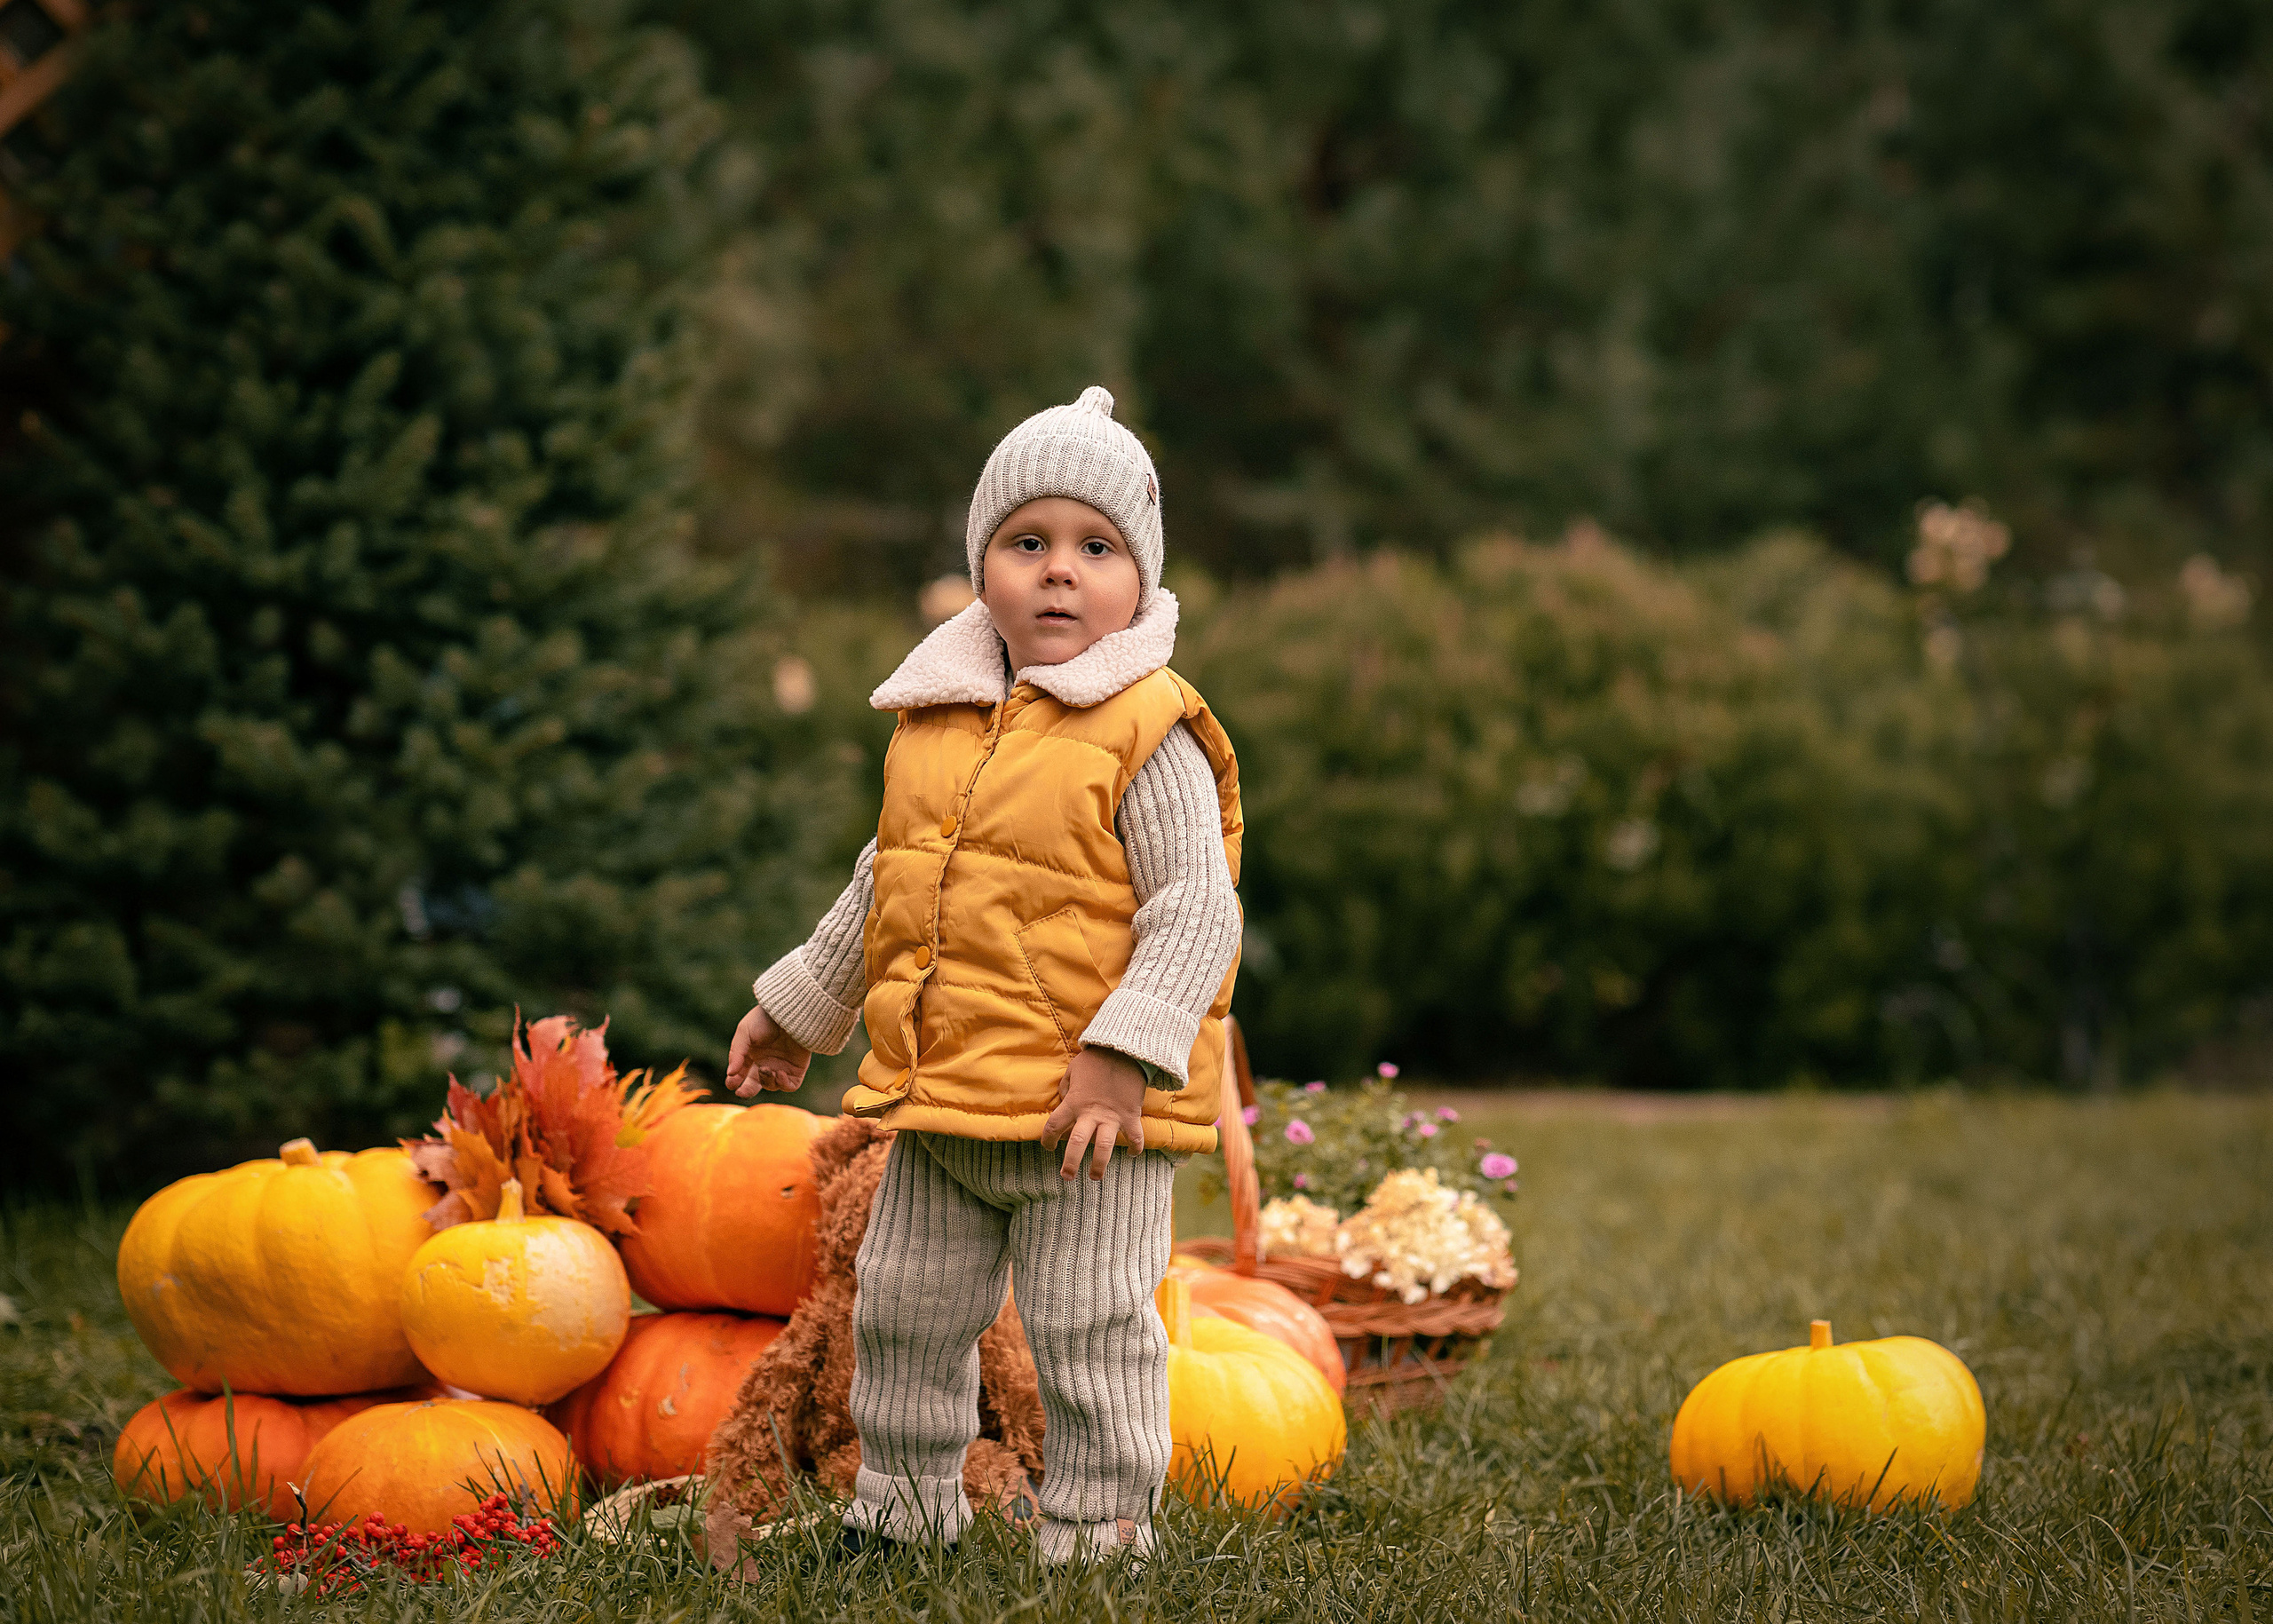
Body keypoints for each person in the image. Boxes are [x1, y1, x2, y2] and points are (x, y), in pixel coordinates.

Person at [724, 386, 1244, 1565]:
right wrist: (799, 1009)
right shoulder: (938, 720)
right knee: (899, 1312)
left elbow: (1198, 909)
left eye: (1096, 547)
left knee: (1091, 1330)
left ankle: (1100, 1522)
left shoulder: (1145, 728)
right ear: (982, 569)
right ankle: (903, 1507)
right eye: (1028, 542)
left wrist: (1122, 1055)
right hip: (945, 1102)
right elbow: (888, 879)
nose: (1060, 572)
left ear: (1141, 581)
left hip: (1085, 1127)